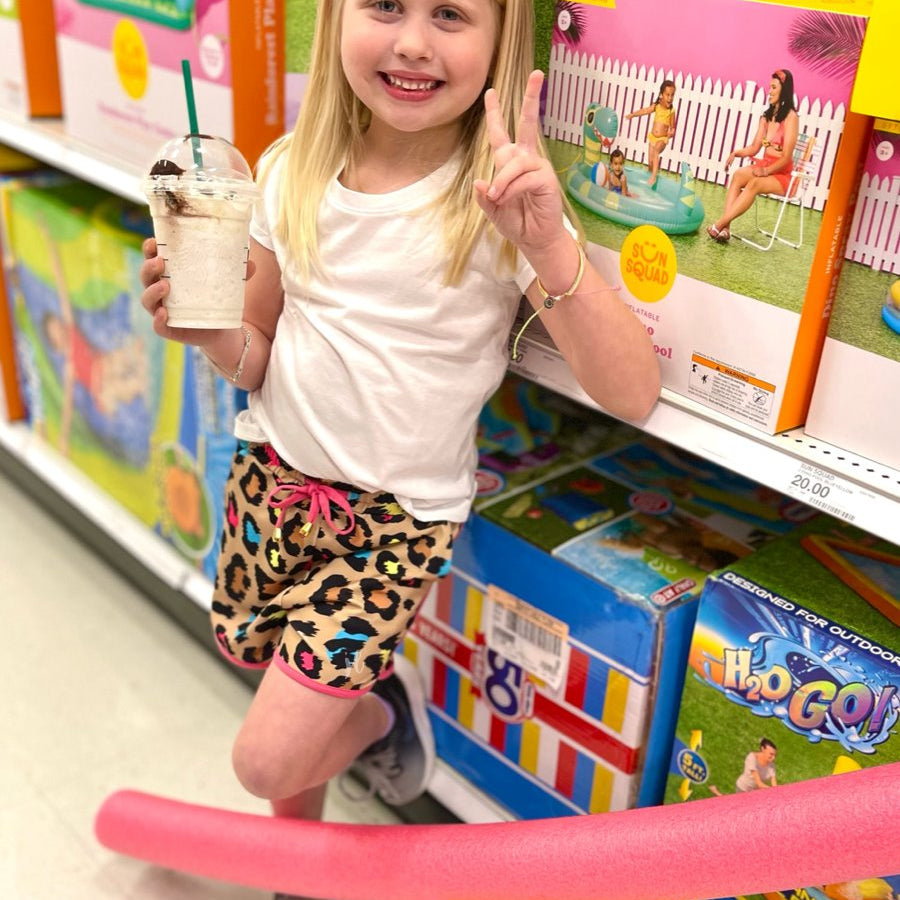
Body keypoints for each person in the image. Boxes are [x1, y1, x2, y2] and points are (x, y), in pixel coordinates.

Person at [139, 0, 660, 885]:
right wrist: (205, 330)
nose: (413, 41)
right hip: (271, 485)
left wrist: (546, 242)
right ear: (338, 18)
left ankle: (381, 713)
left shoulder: (497, 198)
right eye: (385, 6)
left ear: (502, 42)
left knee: (266, 757)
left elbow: (631, 392)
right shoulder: (289, 169)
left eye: (450, 15)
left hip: (391, 530)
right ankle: (293, 867)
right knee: (261, 665)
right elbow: (254, 358)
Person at [707, 69, 799, 243]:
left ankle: (719, 224)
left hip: (782, 175)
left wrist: (765, 171)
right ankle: (726, 229)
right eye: (769, 87)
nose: (769, 91)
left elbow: (786, 157)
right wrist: (736, 153)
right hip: (765, 165)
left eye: (773, 87)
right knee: (738, 175)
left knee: (754, 183)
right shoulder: (766, 117)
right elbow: (755, 147)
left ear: (784, 89)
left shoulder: (791, 117)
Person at [625, 79, 676, 187]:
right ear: (661, 95)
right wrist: (633, 115)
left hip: (662, 139)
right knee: (650, 163)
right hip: (652, 138)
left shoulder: (671, 111)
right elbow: (644, 111)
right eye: (667, 95)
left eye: (672, 95)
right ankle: (650, 182)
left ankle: (653, 177)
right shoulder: (656, 106)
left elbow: (672, 127)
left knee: (657, 151)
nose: (670, 98)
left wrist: (670, 134)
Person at [710, 737, 778, 795]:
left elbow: (774, 783)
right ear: (763, 749)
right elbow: (759, 783)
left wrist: (776, 792)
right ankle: (718, 793)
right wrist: (772, 791)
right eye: (771, 754)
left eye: (775, 755)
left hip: (753, 792)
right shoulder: (752, 758)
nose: (773, 758)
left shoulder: (771, 766)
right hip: (743, 789)